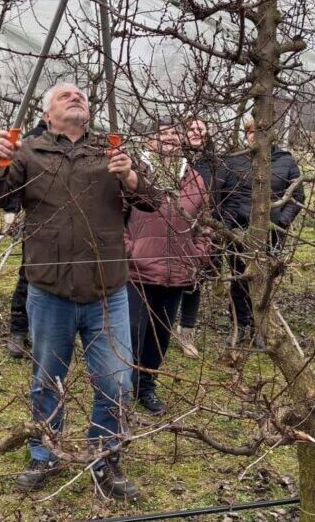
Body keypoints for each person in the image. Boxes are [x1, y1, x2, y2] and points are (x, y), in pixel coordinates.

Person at [0, 82, 159, 500]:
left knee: (116, 382)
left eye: (81, 95)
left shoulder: (112, 151)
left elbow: (152, 201)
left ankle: (105, 458)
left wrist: (130, 176)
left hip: (107, 290)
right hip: (50, 289)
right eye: (64, 96)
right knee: (47, 379)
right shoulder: (28, 152)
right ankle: (45, 453)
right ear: (47, 115)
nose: (76, 97)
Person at [126, 118, 209, 415]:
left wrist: (198, 255)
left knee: (160, 335)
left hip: (177, 272)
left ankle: (146, 387)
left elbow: (205, 224)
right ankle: (125, 385)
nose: (169, 139)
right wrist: (128, 250)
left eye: (174, 133)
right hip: (138, 269)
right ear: (148, 139)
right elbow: (114, 217)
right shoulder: (133, 173)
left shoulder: (194, 177)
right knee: (133, 330)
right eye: (162, 134)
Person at [214, 117, 304, 348]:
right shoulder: (234, 162)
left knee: (264, 282)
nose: (254, 136)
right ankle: (240, 325)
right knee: (239, 279)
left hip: (271, 233)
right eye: (249, 131)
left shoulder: (285, 161)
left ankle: (261, 327)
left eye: (260, 131)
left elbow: (297, 197)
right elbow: (221, 196)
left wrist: (281, 223)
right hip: (238, 232)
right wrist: (227, 225)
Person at [3, 117, 48, 359]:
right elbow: (15, 179)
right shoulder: (32, 139)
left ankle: (42, 331)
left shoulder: (77, 141)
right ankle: (18, 331)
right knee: (28, 274)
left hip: (67, 227)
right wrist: (11, 209)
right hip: (36, 223)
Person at [176, 117, 220, 358]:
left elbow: (221, 196)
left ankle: (187, 334)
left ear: (208, 135)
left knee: (194, 283)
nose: (195, 133)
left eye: (200, 129)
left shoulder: (215, 165)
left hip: (200, 230)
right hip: (172, 228)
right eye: (190, 128)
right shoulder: (174, 159)